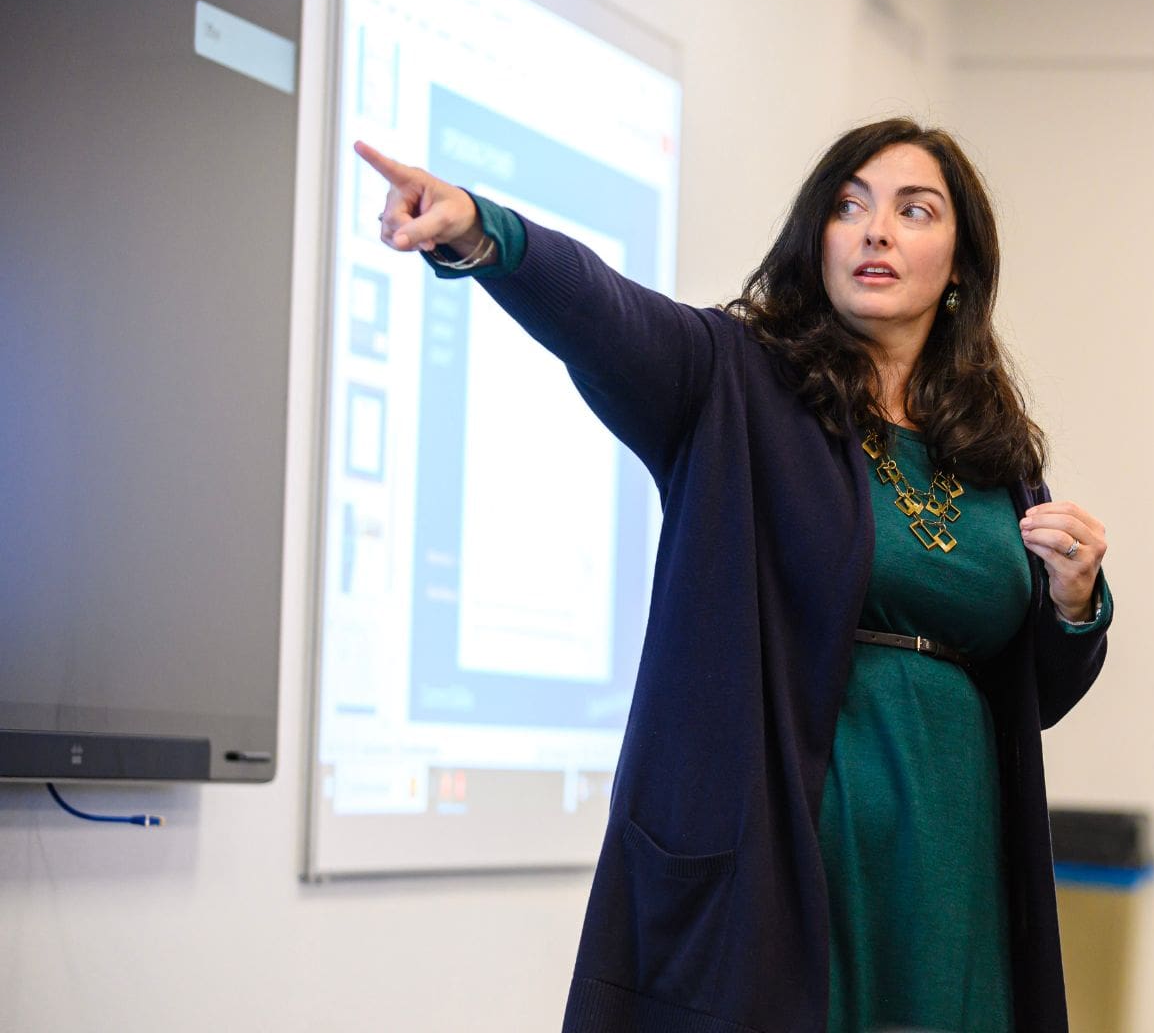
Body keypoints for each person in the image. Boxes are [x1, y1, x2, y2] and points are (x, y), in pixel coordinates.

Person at [356, 118, 1113, 1033]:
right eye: (849, 205)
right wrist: (486, 234)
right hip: (794, 864)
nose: (876, 230)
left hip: (955, 872)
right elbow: (608, 314)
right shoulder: (739, 382)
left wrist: (1074, 606)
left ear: (959, 266)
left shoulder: (992, 449)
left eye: (914, 211)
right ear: (816, 239)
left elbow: (1026, 692)